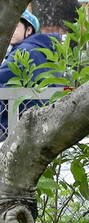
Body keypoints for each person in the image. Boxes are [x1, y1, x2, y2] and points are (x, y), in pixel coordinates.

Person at [0, 10, 64, 140]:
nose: (8, 30)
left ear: (28, 30)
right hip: (42, 119)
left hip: (23, 122)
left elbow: (2, 78)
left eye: (14, 26)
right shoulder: (41, 48)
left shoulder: (26, 50)